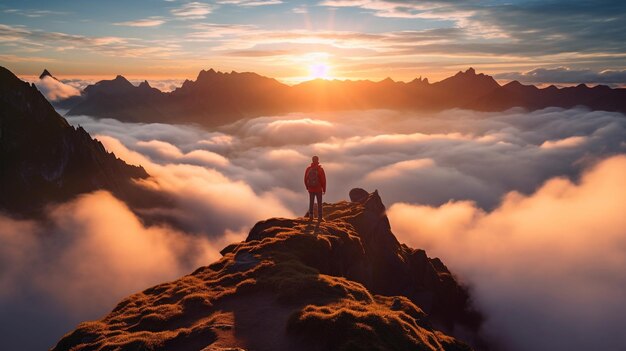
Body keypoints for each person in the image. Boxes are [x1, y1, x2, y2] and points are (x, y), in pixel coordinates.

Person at [304, 155, 326, 221]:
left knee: (311, 202)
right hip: (318, 189)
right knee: (319, 203)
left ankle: (311, 216)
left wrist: (307, 187)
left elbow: (305, 178)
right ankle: (320, 217)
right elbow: (323, 180)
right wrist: (324, 189)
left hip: (311, 189)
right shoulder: (320, 169)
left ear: (312, 160)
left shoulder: (308, 169)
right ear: (318, 160)